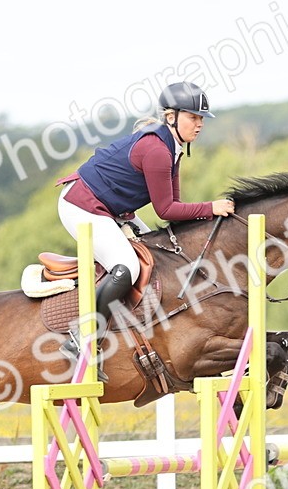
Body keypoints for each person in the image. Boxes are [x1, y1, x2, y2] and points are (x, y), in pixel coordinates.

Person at [55, 81, 235, 380]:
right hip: (81, 205)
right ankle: (82, 337)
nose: (199, 124)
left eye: (201, 118)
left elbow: (173, 207)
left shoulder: (173, 148)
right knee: (125, 266)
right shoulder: (156, 151)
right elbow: (166, 211)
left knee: (159, 250)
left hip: (111, 208)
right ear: (171, 117)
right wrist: (211, 208)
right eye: (193, 117)